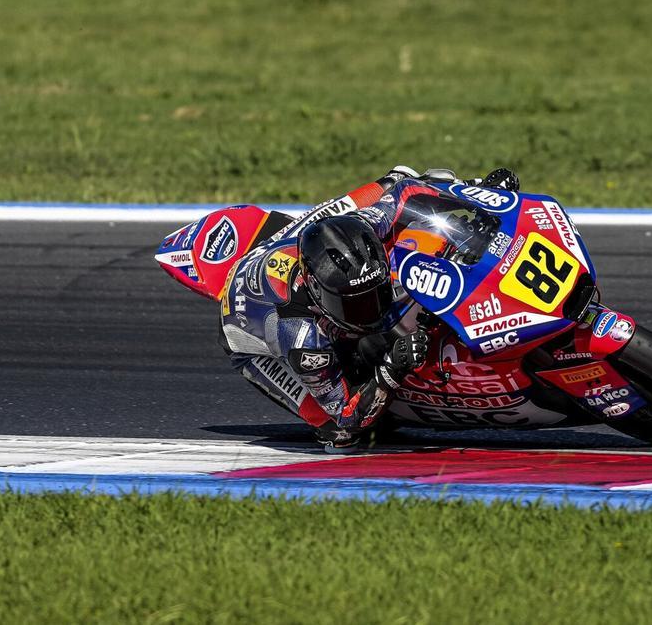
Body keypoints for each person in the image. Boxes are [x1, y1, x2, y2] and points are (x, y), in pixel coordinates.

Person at [217, 165, 520, 452]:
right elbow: (345, 415)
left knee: (397, 179)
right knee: (338, 431)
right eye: (356, 304)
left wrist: (478, 194)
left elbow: (407, 192)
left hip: (287, 245)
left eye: (374, 295)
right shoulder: (302, 340)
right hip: (248, 338)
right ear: (320, 296)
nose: (372, 310)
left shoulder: (367, 225)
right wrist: (392, 369)